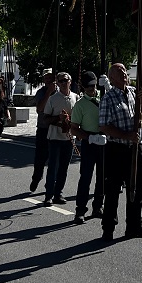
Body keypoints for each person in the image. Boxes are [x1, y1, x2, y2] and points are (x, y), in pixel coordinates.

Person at [98, 63, 142, 242]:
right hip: (117, 150)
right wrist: (126, 135)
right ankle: (108, 228)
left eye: (124, 71)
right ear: (112, 78)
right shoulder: (108, 98)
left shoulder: (133, 93)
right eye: (119, 72)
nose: (123, 73)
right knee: (113, 190)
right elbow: (104, 126)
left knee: (136, 189)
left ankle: (134, 225)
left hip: (135, 149)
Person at [70, 71, 105, 224]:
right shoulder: (80, 105)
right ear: (83, 87)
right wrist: (89, 137)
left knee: (102, 177)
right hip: (89, 141)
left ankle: (98, 207)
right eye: (89, 86)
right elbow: (74, 128)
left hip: (104, 140)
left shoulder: (104, 99)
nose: (92, 89)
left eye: (94, 85)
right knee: (85, 177)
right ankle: (80, 210)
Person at [42, 72, 77, 204]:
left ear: (70, 81)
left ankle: (58, 194)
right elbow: (45, 119)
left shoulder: (75, 97)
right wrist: (58, 118)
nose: (63, 83)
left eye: (65, 80)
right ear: (57, 83)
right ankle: (48, 195)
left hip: (68, 139)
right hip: (54, 138)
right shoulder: (53, 98)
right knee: (53, 167)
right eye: (61, 81)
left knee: (64, 168)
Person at [29, 70, 57, 192]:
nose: (48, 79)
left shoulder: (60, 92)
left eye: (50, 77)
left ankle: (50, 185)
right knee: (40, 157)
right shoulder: (41, 92)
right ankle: (36, 177)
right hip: (43, 129)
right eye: (46, 77)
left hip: (56, 129)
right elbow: (40, 108)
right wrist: (49, 92)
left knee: (54, 160)